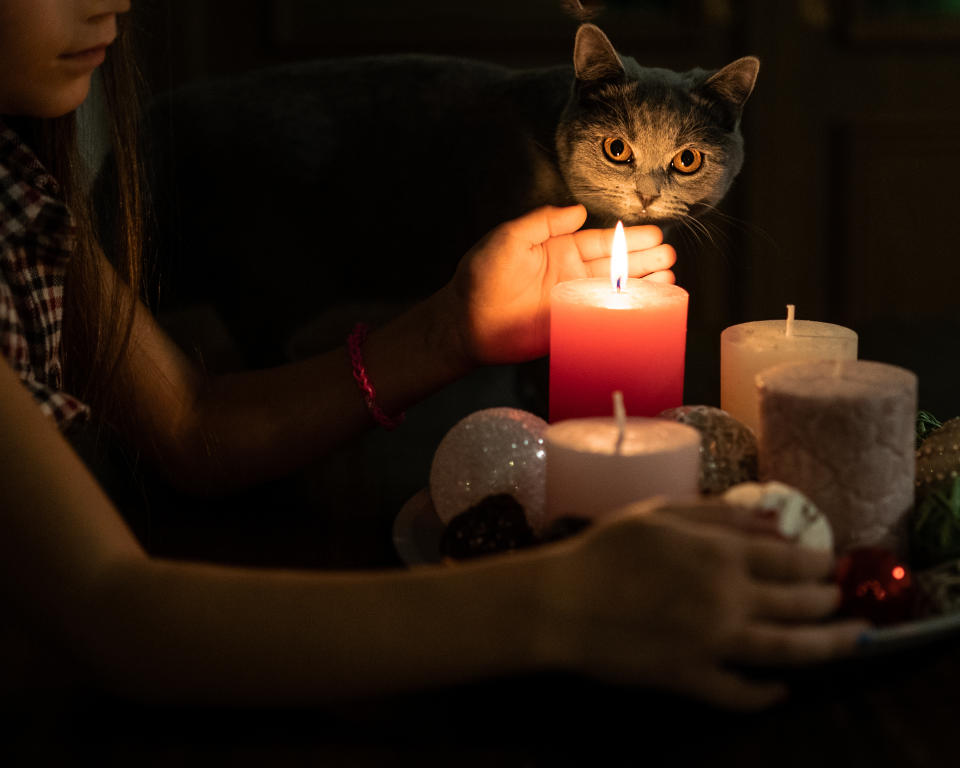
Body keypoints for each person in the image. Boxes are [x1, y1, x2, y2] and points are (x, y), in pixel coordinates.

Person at [0, 0, 869, 711]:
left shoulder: (26, 196)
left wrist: (455, 328)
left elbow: (192, 428)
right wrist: (566, 600)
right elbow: (115, 614)